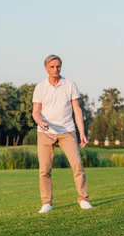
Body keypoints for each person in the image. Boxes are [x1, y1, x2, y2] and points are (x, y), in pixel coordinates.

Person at [32, 54, 92, 213]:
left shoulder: (70, 85)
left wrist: (82, 133)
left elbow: (77, 110)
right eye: (52, 67)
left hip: (67, 131)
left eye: (58, 66)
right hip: (45, 133)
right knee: (44, 170)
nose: (55, 69)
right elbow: (35, 112)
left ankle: (83, 199)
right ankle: (46, 203)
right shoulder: (40, 87)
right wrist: (40, 122)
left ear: (61, 67)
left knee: (77, 165)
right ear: (46, 68)